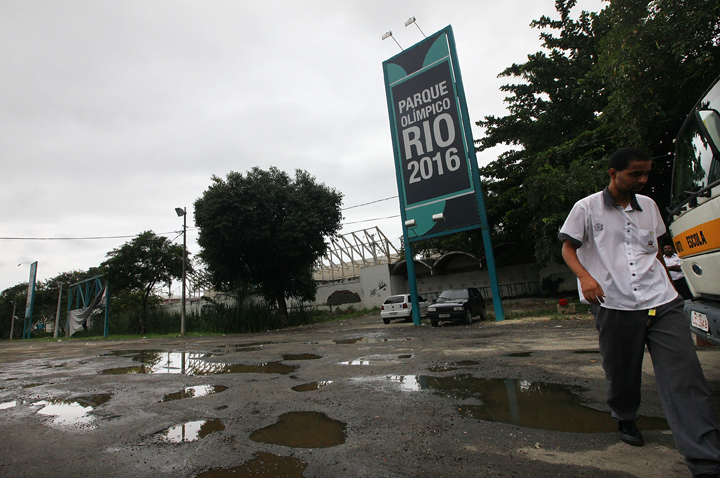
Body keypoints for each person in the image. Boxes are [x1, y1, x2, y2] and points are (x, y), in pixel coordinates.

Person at [558, 147, 720, 478]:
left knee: (685, 379)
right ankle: (625, 415)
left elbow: (654, 248)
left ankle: (707, 463)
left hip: (662, 300)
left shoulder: (649, 206)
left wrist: (669, 281)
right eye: (635, 174)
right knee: (622, 373)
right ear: (613, 173)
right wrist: (586, 278)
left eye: (646, 173)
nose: (643, 180)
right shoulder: (586, 208)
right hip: (613, 303)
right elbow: (567, 247)